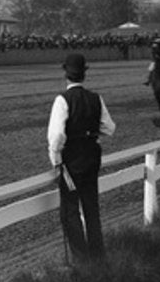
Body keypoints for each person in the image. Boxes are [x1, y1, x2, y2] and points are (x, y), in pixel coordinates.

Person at [47, 53, 116, 262]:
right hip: (92, 156)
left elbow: (57, 135)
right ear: (84, 74)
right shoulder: (96, 98)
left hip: (71, 159)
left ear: (66, 75)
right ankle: (98, 256)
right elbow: (110, 128)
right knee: (91, 207)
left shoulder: (62, 100)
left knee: (70, 210)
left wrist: (55, 159)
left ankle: (82, 260)